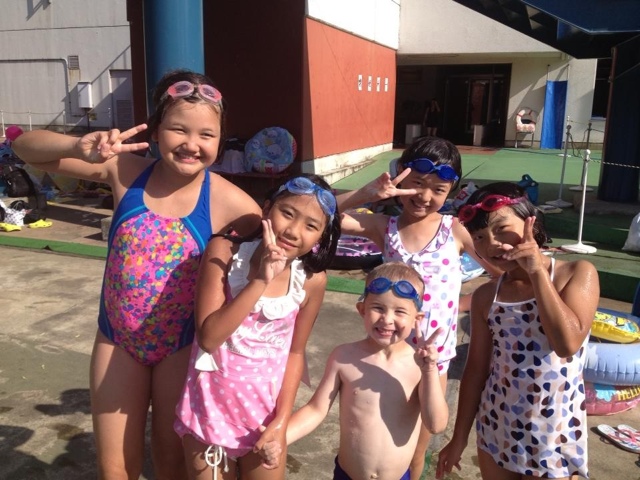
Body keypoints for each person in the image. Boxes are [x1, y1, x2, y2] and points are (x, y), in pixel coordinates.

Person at [12, 69, 263, 480]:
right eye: (178, 129)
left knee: (170, 464)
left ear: (220, 140)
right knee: (115, 470)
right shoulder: (124, 170)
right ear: (157, 129)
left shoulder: (230, 202)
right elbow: (24, 148)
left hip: (181, 347)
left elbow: (288, 238)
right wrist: (78, 146)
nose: (191, 144)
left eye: (206, 135)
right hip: (117, 340)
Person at [337, 135, 501, 479]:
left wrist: (465, 304)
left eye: (438, 189)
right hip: (387, 352)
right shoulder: (385, 227)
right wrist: (367, 194)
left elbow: (500, 271)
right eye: (417, 184)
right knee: (382, 437)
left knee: (417, 449)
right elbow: (323, 217)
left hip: (432, 359)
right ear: (400, 175)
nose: (425, 196)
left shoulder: (455, 230)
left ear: (452, 190)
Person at [174, 174, 341, 480]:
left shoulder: (312, 281)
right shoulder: (224, 252)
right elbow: (209, 337)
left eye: (311, 226)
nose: (293, 231)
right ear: (266, 209)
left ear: (321, 236)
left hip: (265, 419)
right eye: (287, 213)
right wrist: (261, 280)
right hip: (209, 414)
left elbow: (295, 353)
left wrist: (282, 422)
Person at [436, 182, 599, 480]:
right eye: (479, 237)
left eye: (501, 229)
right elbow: (476, 370)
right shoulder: (487, 296)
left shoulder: (575, 273)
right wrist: (459, 438)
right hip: (497, 423)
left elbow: (567, 344)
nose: (492, 244)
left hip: (554, 430)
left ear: (530, 222)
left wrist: (537, 272)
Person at [286, 261, 449, 480]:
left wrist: (429, 371)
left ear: (416, 319)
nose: (387, 319)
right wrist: (279, 438)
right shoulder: (344, 357)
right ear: (362, 309)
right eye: (378, 308)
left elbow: (436, 424)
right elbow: (316, 409)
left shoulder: (420, 366)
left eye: (400, 311)